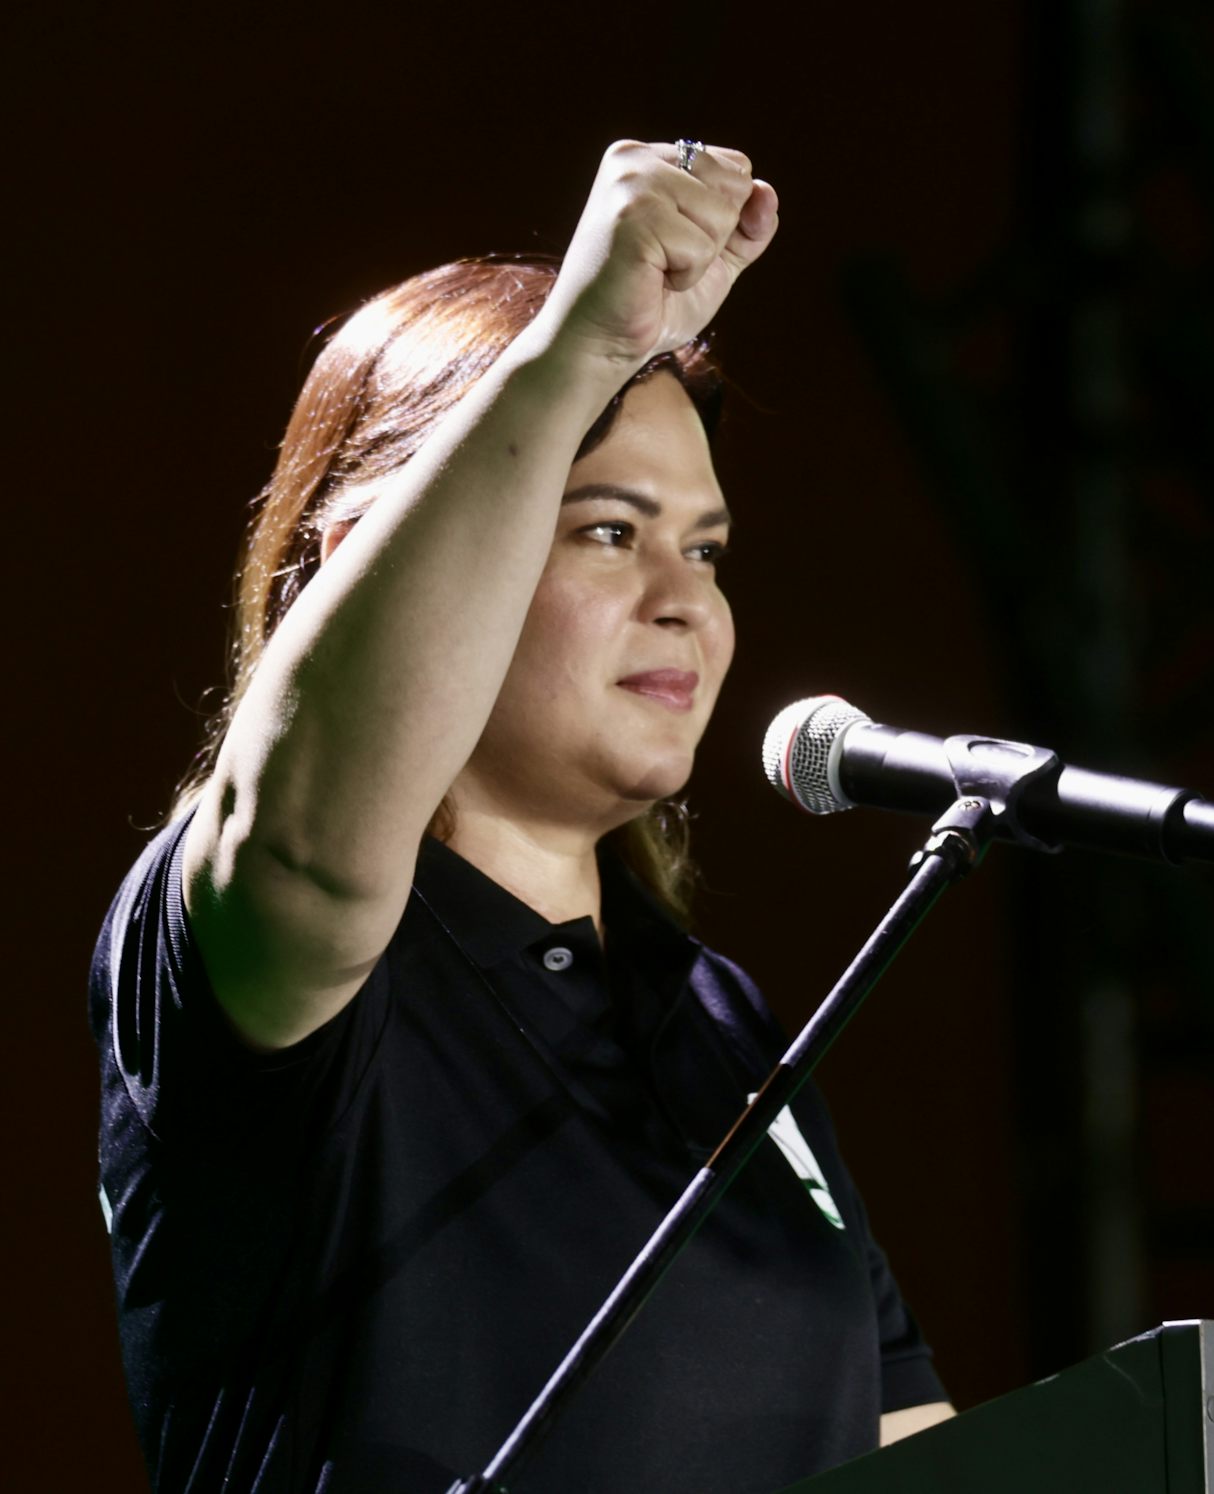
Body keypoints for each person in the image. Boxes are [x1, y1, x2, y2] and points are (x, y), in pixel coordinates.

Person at [90, 139, 955, 1493]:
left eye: (707, 546)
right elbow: (306, 839)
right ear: (359, 552)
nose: (687, 598)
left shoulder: (719, 1022)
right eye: (609, 529)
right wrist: (568, 358)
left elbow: (928, 1457)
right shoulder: (267, 940)